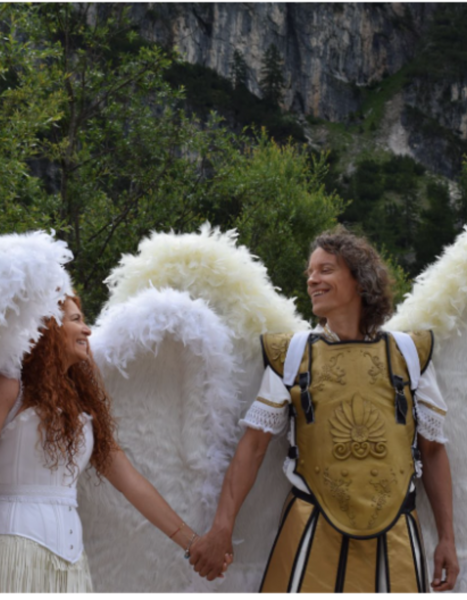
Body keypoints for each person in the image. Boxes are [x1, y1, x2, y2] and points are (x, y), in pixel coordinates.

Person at [188, 226, 459, 593]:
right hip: (309, 532)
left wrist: (447, 539)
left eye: (325, 269)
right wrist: (222, 526)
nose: (313, 280)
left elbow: (433, 449)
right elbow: (252, 447)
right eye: (310, 273)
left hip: (397, 537)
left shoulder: (409, 354)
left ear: (360, 280)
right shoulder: (293, 354)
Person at [0, 295, 228, 592]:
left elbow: (132, 483)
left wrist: (193, 543)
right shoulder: (7, 387)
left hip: (72, 561)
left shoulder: (83, 406)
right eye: (76, 320)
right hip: (11, 550)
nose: (87, 330)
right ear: (46, 327)